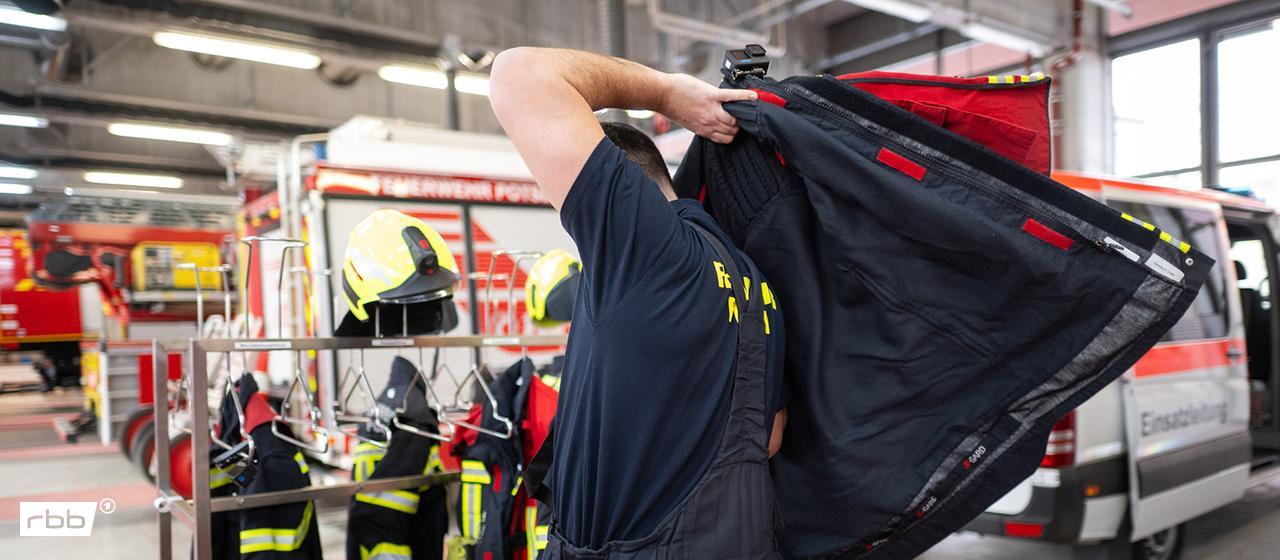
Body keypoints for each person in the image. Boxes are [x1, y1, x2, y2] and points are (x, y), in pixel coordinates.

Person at [489, 47, 787, 558]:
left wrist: (671, 93)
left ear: (622, 182)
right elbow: (769, 437)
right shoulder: (756, 283)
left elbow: (519, 73)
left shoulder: (644, 244)